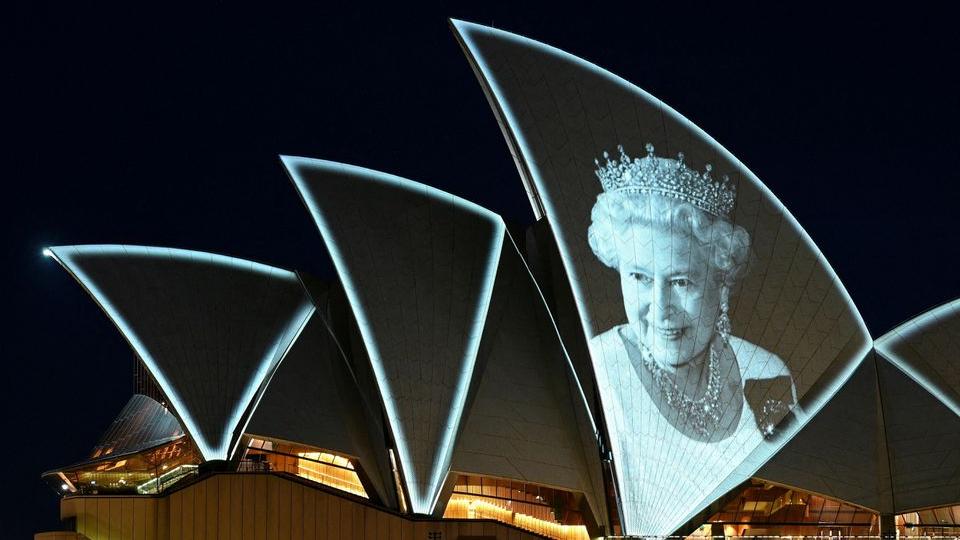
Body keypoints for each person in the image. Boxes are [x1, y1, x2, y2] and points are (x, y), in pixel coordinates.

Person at [586, 143, 798, 533]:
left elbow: (792, 498)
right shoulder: (595, 372)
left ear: (722, 282)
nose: (660, 306)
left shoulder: (766, 371)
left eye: (681, 281)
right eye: (639, 277)